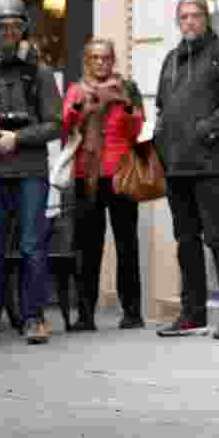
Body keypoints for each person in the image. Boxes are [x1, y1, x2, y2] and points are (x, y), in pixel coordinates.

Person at [153, 0, 219, 340]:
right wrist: (160, 140)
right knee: (186, 241)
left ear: (206, 19)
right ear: (177, 22)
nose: (190, 22)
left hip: (209, 164)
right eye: (184, 17)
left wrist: (208, 131)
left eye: (196, 16)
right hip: (176, 166)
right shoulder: (171, 60)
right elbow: (163, 108)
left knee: (218, 238)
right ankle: (192, 313)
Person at [0, 0, 62, 345]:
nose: (9, 33)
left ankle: (34, 318)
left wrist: (18, 138)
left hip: (30, 173)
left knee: (31, 246)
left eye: (15, 26)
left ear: (24, 29)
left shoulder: (37, 72)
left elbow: (56, 124)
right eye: (2, 27)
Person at [62, 39, 145, 331]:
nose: (101, 63)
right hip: (88, 174)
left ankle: (132, 313)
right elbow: (66, 126)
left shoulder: (128, 88)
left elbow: (137, 128)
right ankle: (86, 315)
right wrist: (84, 106)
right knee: (88, 247)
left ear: (113, 60)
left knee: (127, 245)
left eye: (106, 58)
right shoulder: (76, 90)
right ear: (87, 61)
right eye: (95, 58)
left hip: (121, 172)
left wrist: (124, 104)